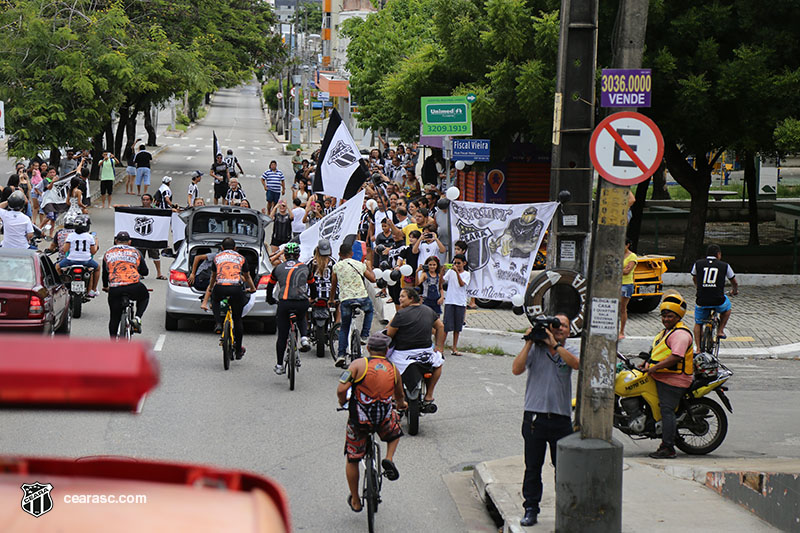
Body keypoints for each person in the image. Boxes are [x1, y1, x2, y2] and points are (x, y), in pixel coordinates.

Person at [511, 313, 578, 527]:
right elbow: (516, 369)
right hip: (534, 417)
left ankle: (565, 509)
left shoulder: (571, 349)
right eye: (555, 325)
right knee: (533, 467)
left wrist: (555, 345)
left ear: (569, 330)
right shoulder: (535, 349)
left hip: (561, 419)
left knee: (564, 469)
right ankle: (531, 508)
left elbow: (575, 364)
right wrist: (529, 341)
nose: (559, 329)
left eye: (564, 326)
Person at [338, 331, 406, 513]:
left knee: (352, 458)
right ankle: (388, 458)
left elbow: (341, 389)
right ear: (387, 350)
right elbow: (399, 396)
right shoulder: (394, 369)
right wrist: (401, 405)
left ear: (368, 348)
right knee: (395, 429)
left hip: (359, 421)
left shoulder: (358, 365)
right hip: (383, 419)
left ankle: (355, 500)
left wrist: (342, 402)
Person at [643, 293, 695, 459]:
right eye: (664, 316)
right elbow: (659, 352)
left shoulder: (680, 334)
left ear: (678, 316)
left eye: (670, 316)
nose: (666, 319)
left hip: (674, 380)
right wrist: (646, 364)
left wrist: (654, 368)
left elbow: (676, 357)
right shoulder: (666, 331)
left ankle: (668, 447)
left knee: (666, 410)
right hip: (660, 375)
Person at [385, 288, 445, 407]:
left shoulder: (401, 314)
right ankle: (429, 395)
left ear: (411, 298)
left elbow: (389, 334)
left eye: (403, 296)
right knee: (438, 363)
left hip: (402, 356)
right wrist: (439, 347)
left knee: (387, 367)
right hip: (425, 354)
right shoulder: (429, 311)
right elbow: (440, 326)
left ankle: (393, 396)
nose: (399, 299)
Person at [200, 237, 257, 359]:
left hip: (220, 287)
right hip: (236, 288)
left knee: (215, 300)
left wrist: (210, 288)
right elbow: (247, 276)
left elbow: (213, 276)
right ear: (235, 248)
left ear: (221, 248)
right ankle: (238, 350)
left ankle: (219, 323)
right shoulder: (241, 258)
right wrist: (252, 288)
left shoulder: (217, 257)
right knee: (237, 320)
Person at [266, 241, 315, 374]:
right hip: (301, 301)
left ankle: (279, 365)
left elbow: (270, 286)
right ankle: (304, 337)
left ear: (285, 256)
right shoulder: (305, 267)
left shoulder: (278, 268)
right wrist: (313, 298)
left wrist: (270, 299)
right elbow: (312, 286)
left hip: (285, 302)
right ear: (298, 255)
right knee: (301, 316)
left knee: (282, 336)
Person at [331, 242, 377, 368]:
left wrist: (331, 299)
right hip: (362, 297)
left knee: (344, 327)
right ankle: (364, 335)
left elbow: (334, 285)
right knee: (369, 311)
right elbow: (373, 279)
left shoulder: (336, 267)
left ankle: (341, 355)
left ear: (340, 254)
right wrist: (369, 267)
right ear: (352, 253)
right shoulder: (359, 264)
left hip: (346, 299)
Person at [691, 244, 739, 351]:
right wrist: (734, 291)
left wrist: (698, 288)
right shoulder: (725, 265)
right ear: (718, 254)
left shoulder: (697, 264)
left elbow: (694, 277)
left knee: (698, 323)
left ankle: (698, 348)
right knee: (727, 309)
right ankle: (720, 331)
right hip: (718, 300)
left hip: (701, 300)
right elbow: (734, 282)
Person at [102, 231, 150, 336]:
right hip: (133, 285)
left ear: (116, 241)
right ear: (129, 242)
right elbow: (145, 271)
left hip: (115, 288)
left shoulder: (108, 252)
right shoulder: (135, 251)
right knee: (145, 296)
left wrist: (106, 286)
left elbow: (105, 273)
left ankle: (113, 343)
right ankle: (137, 318)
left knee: (114, 317)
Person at [55, 214, 100, 296]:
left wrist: (66, 241)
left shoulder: (70, 236)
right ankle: (93, 290)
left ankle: (62, 285)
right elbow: (93, 252)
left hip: (71, 260)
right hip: (86, 261)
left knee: (57, 267)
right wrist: (96, 243)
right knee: (97, 268)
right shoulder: (89, 237)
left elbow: (65, 250)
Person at [441, 254, 470, 356]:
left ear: (464, 263)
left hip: (460, 302)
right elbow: (442, 281)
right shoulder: (450, 272)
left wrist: (457, 272)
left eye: (459, 263)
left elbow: (462, 284)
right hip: (450, 301)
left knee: (457, 327)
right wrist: (442, 271)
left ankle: (454, 348)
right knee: (446, 326)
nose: (456, 265)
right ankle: (441, 348)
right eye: (455, 263)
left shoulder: (466, 274)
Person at [619, 238, 638, 339]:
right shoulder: (618, 254)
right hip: (616, 284)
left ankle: (621, 331)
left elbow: (627, 271)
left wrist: (616, 269)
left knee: (622, 308)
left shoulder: (632, 256)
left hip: (626, 284)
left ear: (628, 245)